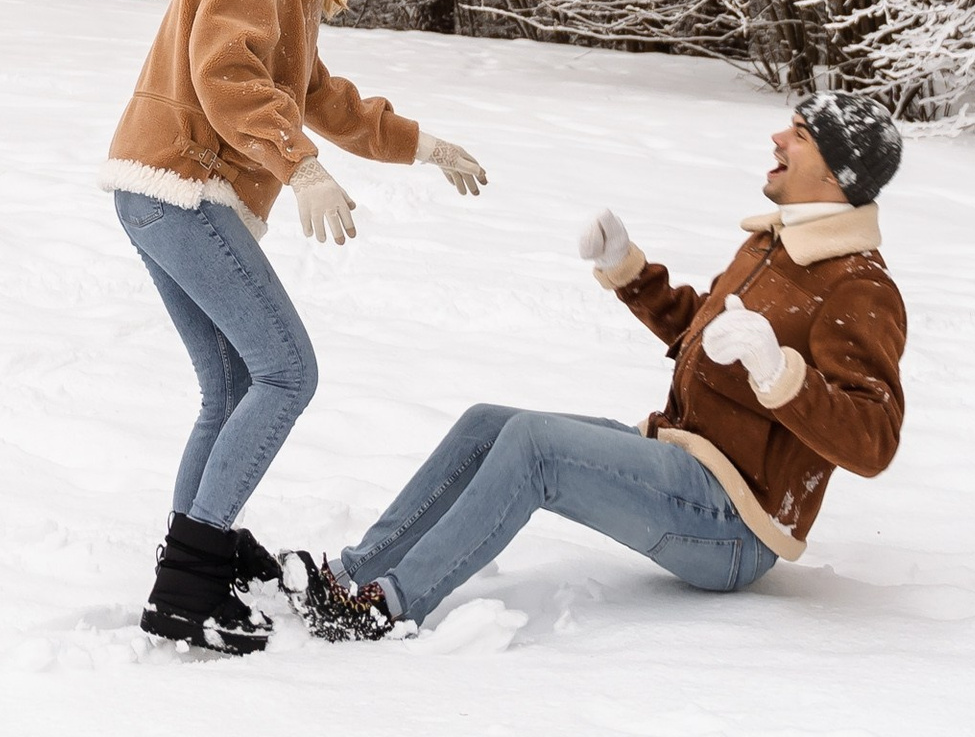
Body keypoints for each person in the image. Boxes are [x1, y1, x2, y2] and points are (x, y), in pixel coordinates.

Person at [290, 87, 906, 640]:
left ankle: (386, 606)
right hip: (686, 462)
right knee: (488, 423)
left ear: (836, 174)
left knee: (536, 446)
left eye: (799, 134)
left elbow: (872, 438)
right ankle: (353, 570)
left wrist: (779, 374)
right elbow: (706, 338)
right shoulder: (772, 243)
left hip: (735, 525)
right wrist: (630, 271)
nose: (777, 137)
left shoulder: (859, 286)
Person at [103, 0, 489, 653]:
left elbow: (319, 94)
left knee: (233, 385)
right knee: (287, 372)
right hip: (182, 185)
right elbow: (225, 70)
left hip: (164, 190)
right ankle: (190, 579)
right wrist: (299, 168)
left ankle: (190, 559)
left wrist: (420, 144)